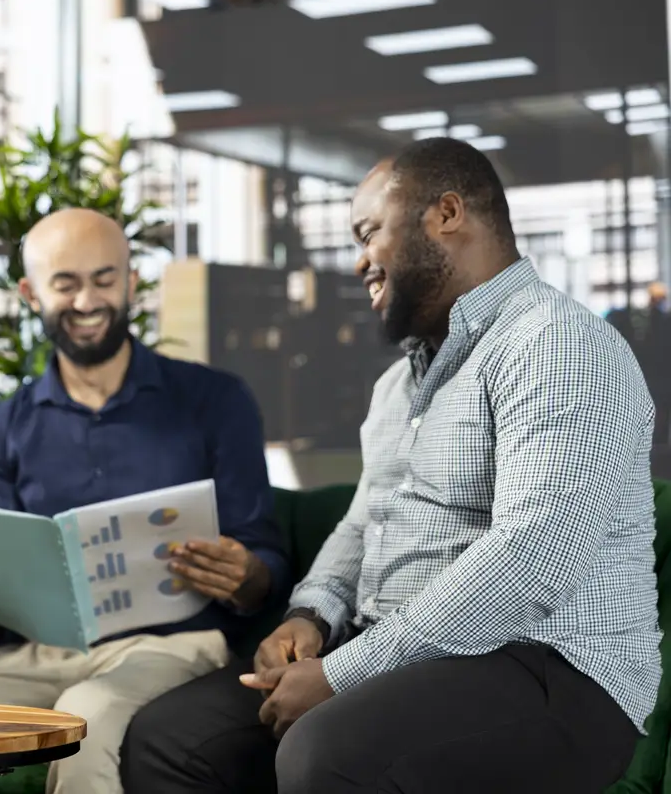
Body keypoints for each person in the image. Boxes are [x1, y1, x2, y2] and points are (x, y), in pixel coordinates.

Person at [121, 137, 661, 794]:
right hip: (402, 661)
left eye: (369, 232)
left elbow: (529, 564)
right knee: (171, 740)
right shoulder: (396, 388)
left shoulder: (559, 342)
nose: (357, 262)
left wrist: (344, 676)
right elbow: (361, 525)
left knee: (326, 753)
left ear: (447, 214)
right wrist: (309, 618)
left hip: (555, 674)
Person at [0, 208, 290, 794]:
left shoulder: (214, 400)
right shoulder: (2, 429)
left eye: (105, 279)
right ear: (32, 293)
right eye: (66, 283)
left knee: (86, 714)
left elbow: (263, 563)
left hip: (173, 644)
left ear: (132, 282)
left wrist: (244, 572)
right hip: (37, 654)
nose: (87, 300)